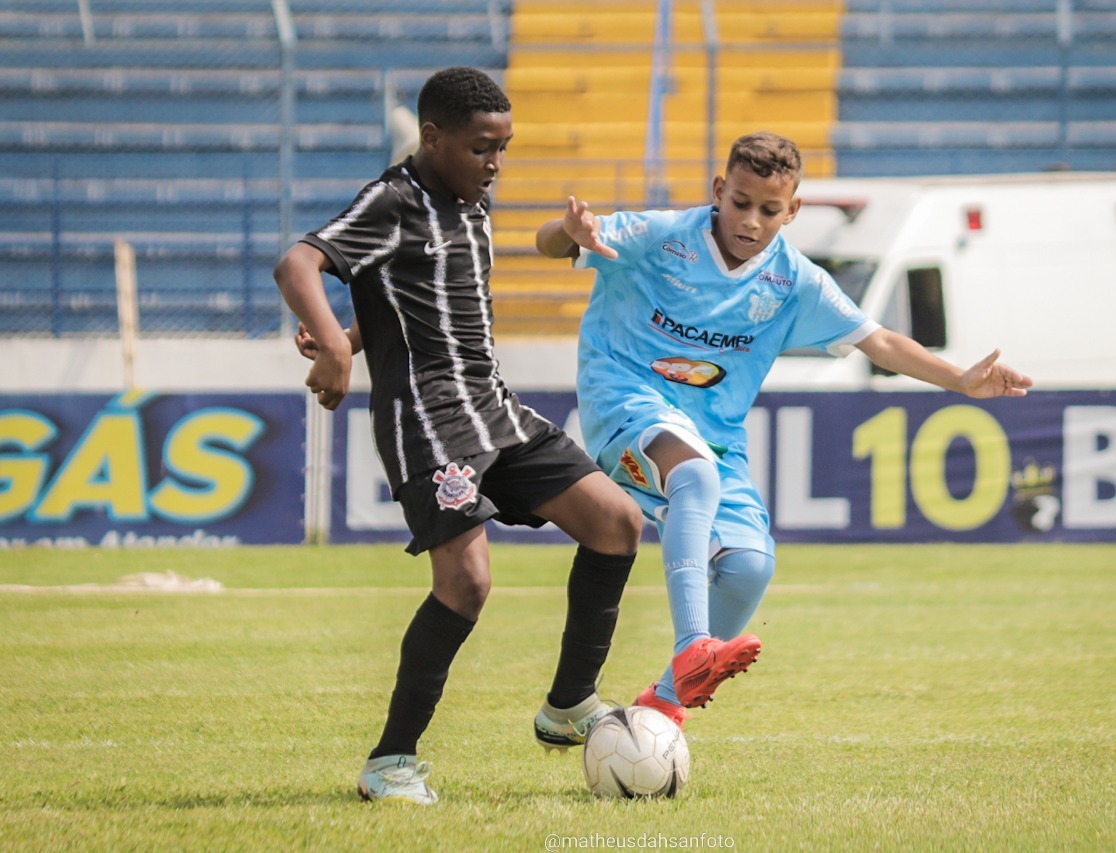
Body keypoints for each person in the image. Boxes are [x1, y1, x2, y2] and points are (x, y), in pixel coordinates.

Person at [536, 131, 1033, 728]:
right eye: (740, 201)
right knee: (692, 474)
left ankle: (661, 706)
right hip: (623, 404)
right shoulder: (662, 236)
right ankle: (694, 644)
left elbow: (877, 340)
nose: (750, 220)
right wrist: (568, 232)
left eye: (769, 210)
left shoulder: (794, 280)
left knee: (750, 566)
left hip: (714, 437)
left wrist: (961, 380)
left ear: (792, 211)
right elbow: (548, 243)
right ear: (719, 190)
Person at [274, 66, 643, 806]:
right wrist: (337, 348)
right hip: (429, 423)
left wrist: (353, 331)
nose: (496, 164)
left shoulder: (470, 202)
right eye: (482, 149)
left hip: (493, 408)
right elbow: (299, 262)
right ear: (433, 138)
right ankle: (391, 762)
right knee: (467, 581)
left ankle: (569, 704)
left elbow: (413, 301)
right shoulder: (391, 200)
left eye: (504, 149)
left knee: (617, 520)